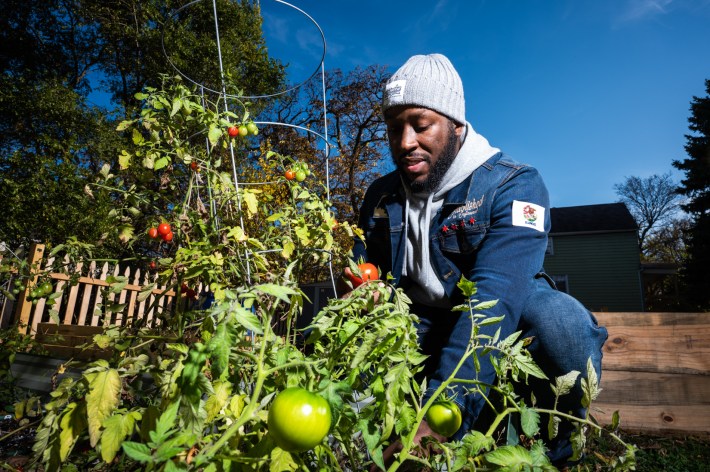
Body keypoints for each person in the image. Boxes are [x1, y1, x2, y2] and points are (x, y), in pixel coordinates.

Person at [342, 53, 608, 468]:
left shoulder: (514, 183)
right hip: (419, 317)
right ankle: (360, 445)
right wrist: (365, 292)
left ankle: (558, 453)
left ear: (455, 125)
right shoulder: (381, 195)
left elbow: (495, 300)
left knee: (563, 325)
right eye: (395, 129)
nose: (405, 142)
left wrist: (441, 413)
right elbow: (366, 269)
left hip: (503, 307)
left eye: (420, 124)